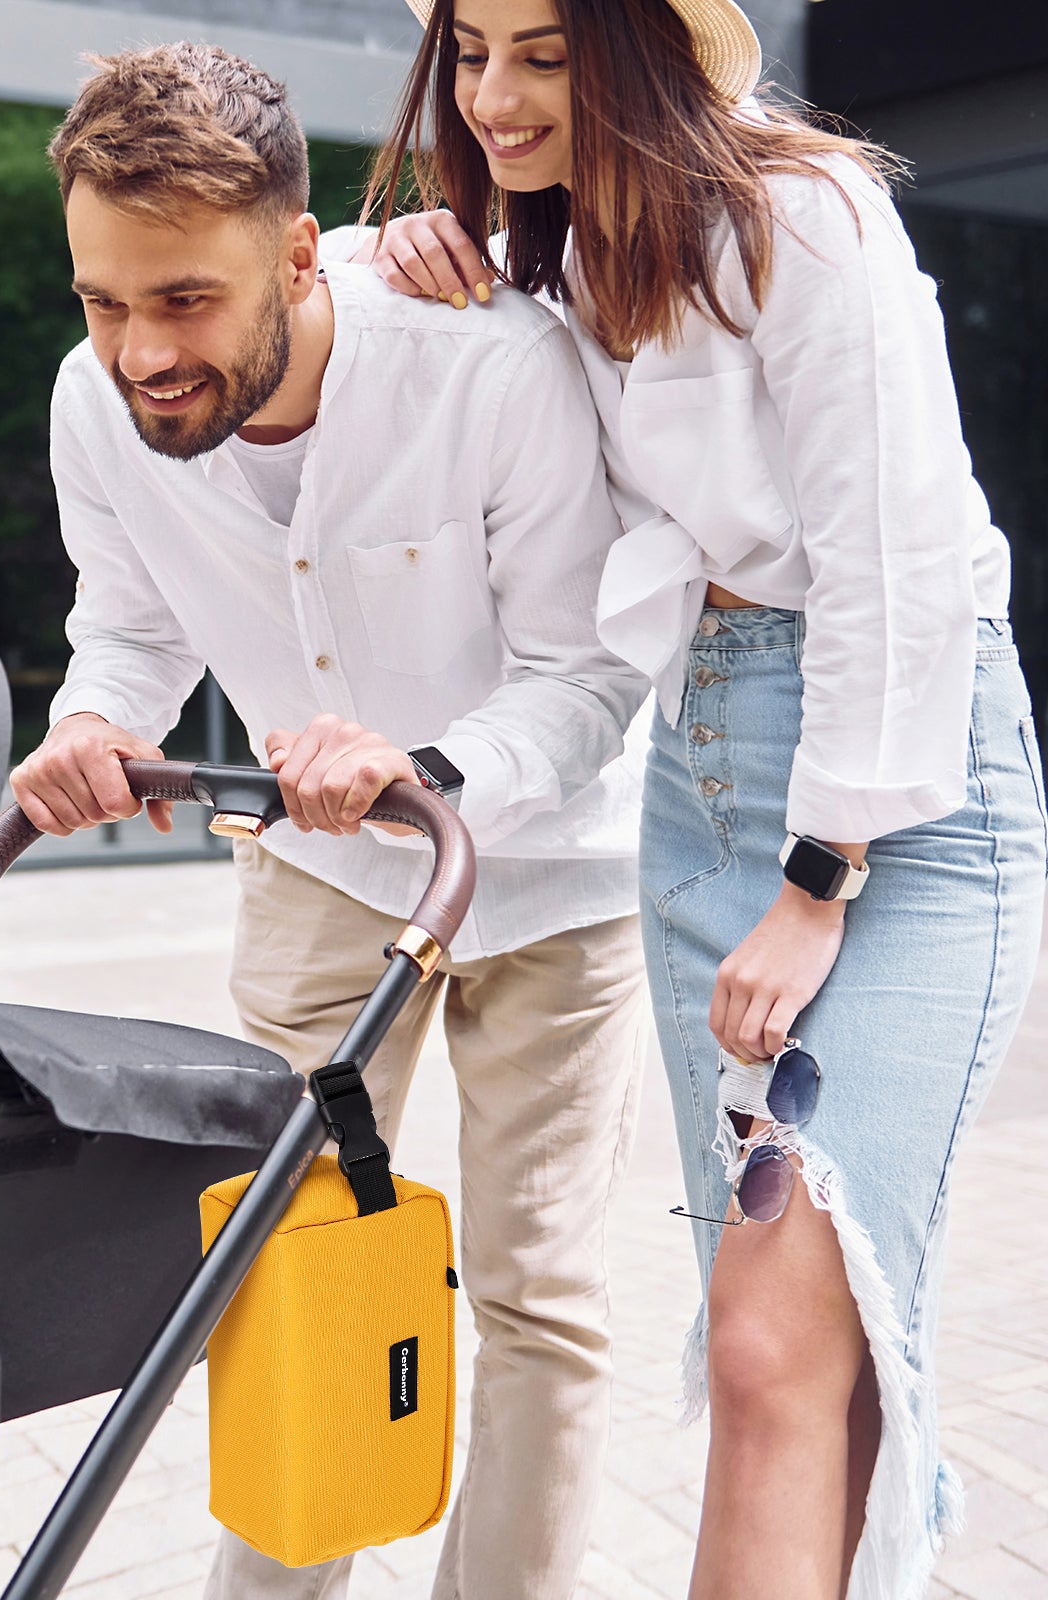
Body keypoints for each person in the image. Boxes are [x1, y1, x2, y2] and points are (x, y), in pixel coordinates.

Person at [341, 2, 1048, 1597]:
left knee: (774, 1338)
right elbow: (256, 290)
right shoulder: (554, 259)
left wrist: (818, 882)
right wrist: (389, 260)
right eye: (469, 54)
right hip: (702, 765)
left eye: (542, 51)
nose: (494, 94)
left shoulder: (799, 214)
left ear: (637, 52)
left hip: (895, 805)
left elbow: (898, 561)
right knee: (782, 1351)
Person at [11, 42, 652, 1600]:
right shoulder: (96, 408)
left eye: (183, 301)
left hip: (552, 876)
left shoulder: (487, 369)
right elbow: (131, 620)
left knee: (538, 1296)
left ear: (300, 254)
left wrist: (420, 760)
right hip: (317, 879)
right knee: (285, 1260)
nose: (139, 350)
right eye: (103, 301)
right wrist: (95, 723)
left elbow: (588, 678)